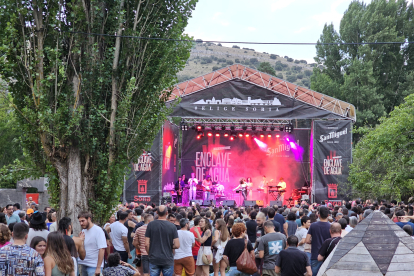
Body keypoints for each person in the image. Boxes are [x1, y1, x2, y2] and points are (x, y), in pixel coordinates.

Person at [145, 205, 179, 276]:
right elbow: (177, 245)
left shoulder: (151, 225)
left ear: (156, 212)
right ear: (167, 213)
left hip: (154, 258)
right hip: (167, 259)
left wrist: (150, 254)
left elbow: (146, 244)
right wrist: (169, 245)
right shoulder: (172, 226)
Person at [78, 211, 107, 276]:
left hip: (94, 266)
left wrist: (98, 267)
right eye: (80, 221)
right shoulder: (83, 231)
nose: (81, 223)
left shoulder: (98, 230)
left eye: (83, 221)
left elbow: (102, 249)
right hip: (84, 264)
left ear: (89, 219)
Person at [305, 206, 331, 276]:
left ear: (318, 215)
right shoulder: (331, 226)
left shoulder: (313, 225)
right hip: (327, 256)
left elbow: (307, 240)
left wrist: (314, 241)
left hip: (315, 255)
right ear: (328, 215)